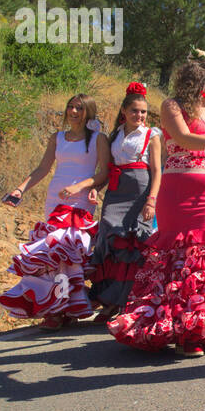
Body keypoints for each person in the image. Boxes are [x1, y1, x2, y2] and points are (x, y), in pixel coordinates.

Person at [108, 57, 205, 357]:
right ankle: (177, 329)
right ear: (201, 79)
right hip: (179, 191)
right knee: (180, 257)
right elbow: (183, 138)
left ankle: (200, 329)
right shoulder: (172, 106)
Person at [0, 93, 108, 329]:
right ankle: (59, 307)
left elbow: (104, 172)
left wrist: (83, 187)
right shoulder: (57, 138)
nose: (74, 112)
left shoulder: (99, 139)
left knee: (67, 251)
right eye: (71, 107)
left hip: (79, 202)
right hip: (54, 200)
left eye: (79, 108)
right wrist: (20, 189)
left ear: (89, 111)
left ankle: (61, 310)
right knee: (55, 257)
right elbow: (42, 168)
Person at [88, 82, 161, 322]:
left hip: (139, 191)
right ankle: (108, 300)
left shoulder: (151, 136)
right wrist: (96, 189)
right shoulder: (115, 135)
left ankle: (127, 301)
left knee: (132, 244)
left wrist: (151, 201)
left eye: (143, 112)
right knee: (110, 241)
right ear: (124, 111)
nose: (139, 116)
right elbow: (107, 168)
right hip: (116, 190)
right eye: (135, 111)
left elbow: (157, 172)